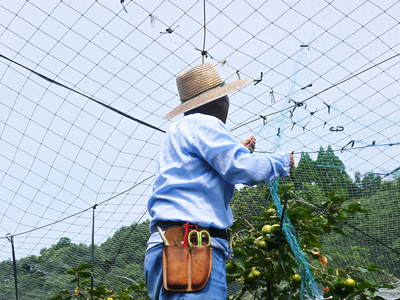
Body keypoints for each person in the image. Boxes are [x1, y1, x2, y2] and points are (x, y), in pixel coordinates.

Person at [144, 63, 294, 299]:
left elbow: (200, 177)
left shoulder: (177, 131)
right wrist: (283, 162)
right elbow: (243, 169)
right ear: (219, 99)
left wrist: (236, 152)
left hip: (162, 248)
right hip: (191, 249)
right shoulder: (205, 123)